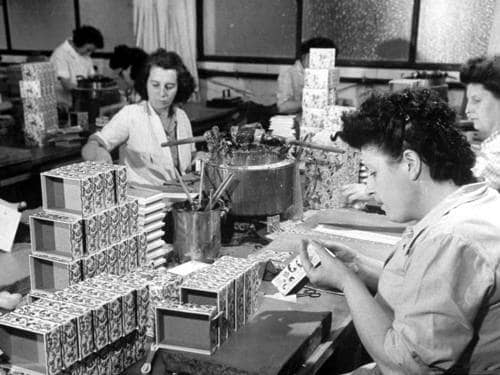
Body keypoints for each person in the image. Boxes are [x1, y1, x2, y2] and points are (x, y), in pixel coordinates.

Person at [301, 88, 500, 374]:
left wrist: (346, 281)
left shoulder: (452, 238)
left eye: (373, 172)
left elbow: (406, 364)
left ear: (411, 164)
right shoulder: (472, 201)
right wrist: (359, 266)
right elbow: (430, 289)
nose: (369, 187)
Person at [82, 49, 199, 186]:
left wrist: (198, 157)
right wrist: (97, 152)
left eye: (169, 86)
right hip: (144, 200)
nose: (162, 93)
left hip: (180, 196)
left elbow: (188, 157)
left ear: (179, 87)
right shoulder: (132, 114)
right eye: (155, 85)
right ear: (145, 83)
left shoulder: (181, 116)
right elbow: (93, 144)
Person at [460, 55, 500, 190]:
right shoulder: (493, 144)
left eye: (476, 100)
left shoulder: (496, 154)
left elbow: (463, 190)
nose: (467, 110)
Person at [276, 37, 336, 114]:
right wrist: (312, 102)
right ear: (308, 56)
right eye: (324, 58)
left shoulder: (324, 74)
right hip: (293, 122)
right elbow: (282, 107)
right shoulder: (289, 73)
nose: (328, 64)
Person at [50, 25, 104, 106]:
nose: (89, 53)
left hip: (79, 102)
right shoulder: (60, 54)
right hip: (63, 103)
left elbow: (92, 76)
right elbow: (66, 85)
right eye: (88, 49)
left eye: (92, 51)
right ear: (80, 42)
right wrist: (88, 89)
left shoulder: (84, 54)